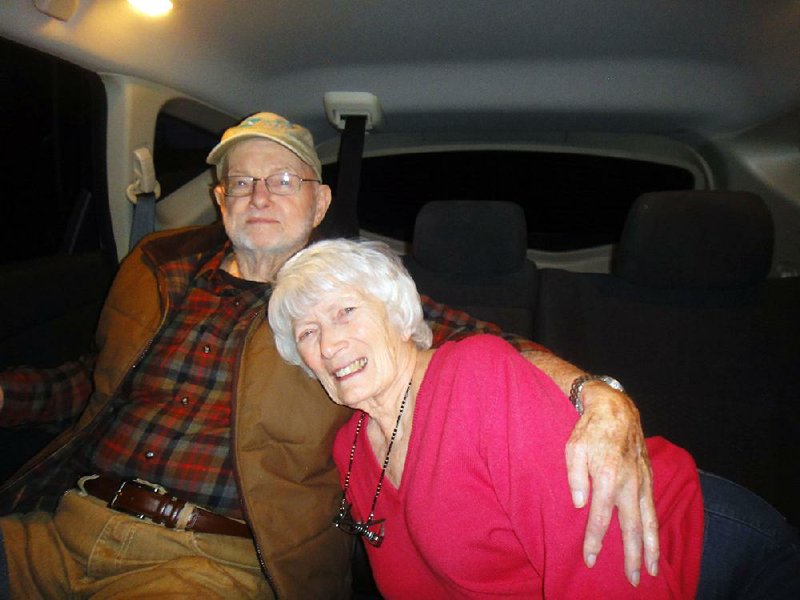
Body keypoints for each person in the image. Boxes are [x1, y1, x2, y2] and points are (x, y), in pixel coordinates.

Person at [0, 112, 655, 599]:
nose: (260, 195)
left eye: (283, 180)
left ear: (318, 202)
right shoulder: (156, 270)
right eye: (243, 182)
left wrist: (599, 394)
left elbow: (498, 352)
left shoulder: (351, 310)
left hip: (205, 561)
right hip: (60, 522)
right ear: (221, 200)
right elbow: (91, 382)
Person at [268, 238, 800, 599]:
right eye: (308, 333)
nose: (330, 342)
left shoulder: (475, 378)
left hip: (701, 548)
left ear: (398, 314)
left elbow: (603, 568)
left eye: (345, 311)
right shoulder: (352, 449)